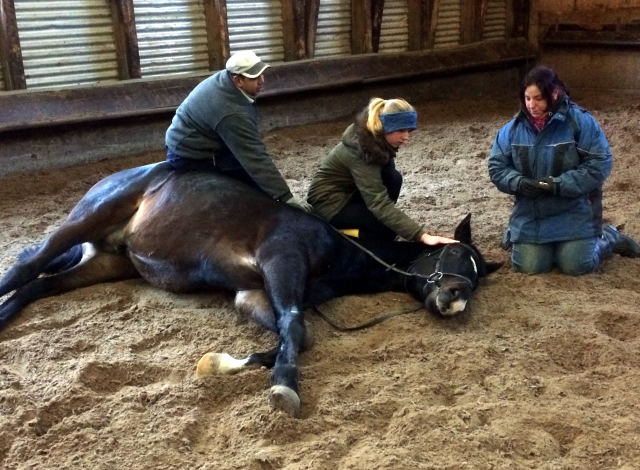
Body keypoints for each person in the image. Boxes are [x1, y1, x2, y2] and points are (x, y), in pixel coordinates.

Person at [488, 65, 640, 275]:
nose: (532, 105)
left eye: (539, 98)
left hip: (574, 211)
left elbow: (599, 163)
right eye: (527, 98)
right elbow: (497, 167)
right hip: (532, 214)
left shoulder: (580, 122)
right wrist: (518, 182)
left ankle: (608, 237)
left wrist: (559, 185)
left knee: (576, 265)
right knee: (529, 267)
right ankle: (516, 233)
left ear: (555, 93)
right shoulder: (512, 129)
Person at [164, 50, 312, 213]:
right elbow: (254, 157)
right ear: (238, 80)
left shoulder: (227, 80)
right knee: (242, 199)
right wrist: (286, 197)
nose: (262, 81)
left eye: (262, 74)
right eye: (254, 77)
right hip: (192, 155)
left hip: (207, 140)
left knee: (255, 185)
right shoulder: (231, 112)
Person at [307, 97, 457, 245]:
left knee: (393, 179)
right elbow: (378, 204)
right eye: (401, 130)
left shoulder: (377, 140)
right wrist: (422, 236)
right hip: (329, 204)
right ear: (385, 128)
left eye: (409, 131)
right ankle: (336, 232)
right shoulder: (363, 152)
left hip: (349, 193)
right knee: (386, 231)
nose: (406, 137)